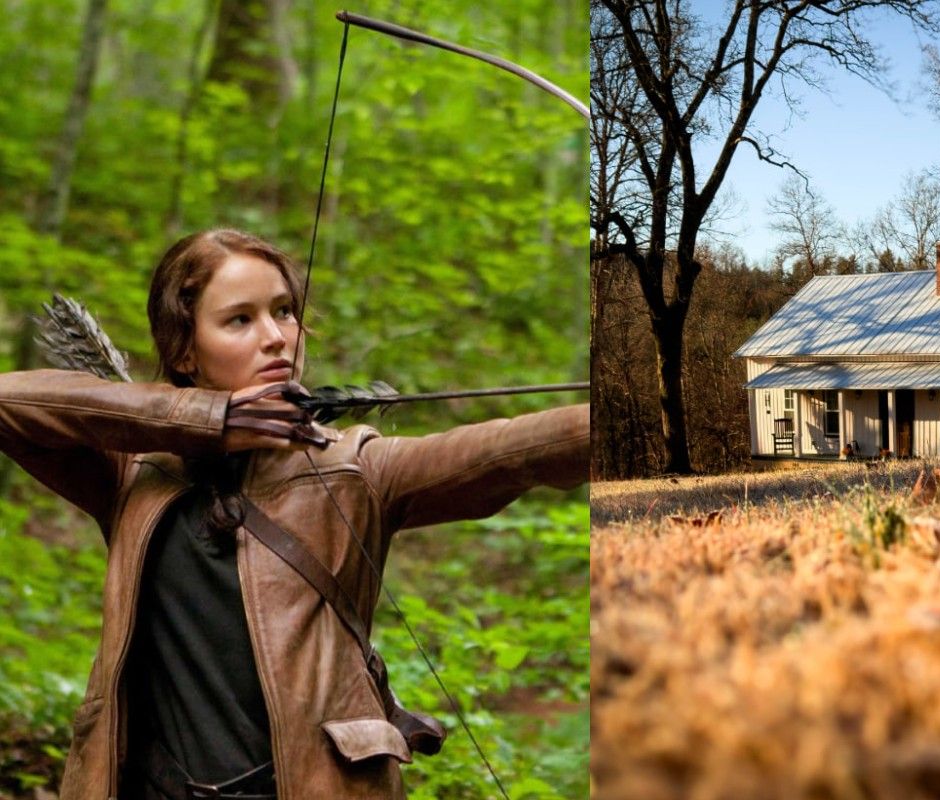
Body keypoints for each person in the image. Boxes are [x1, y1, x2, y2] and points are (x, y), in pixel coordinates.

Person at [0, 229, 589, 800]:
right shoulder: (131, 472)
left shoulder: (356, 470)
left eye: (285, 311)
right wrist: (205, 420)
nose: (277, 336)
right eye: (240, 319)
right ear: (184, 348)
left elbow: (515, 448)